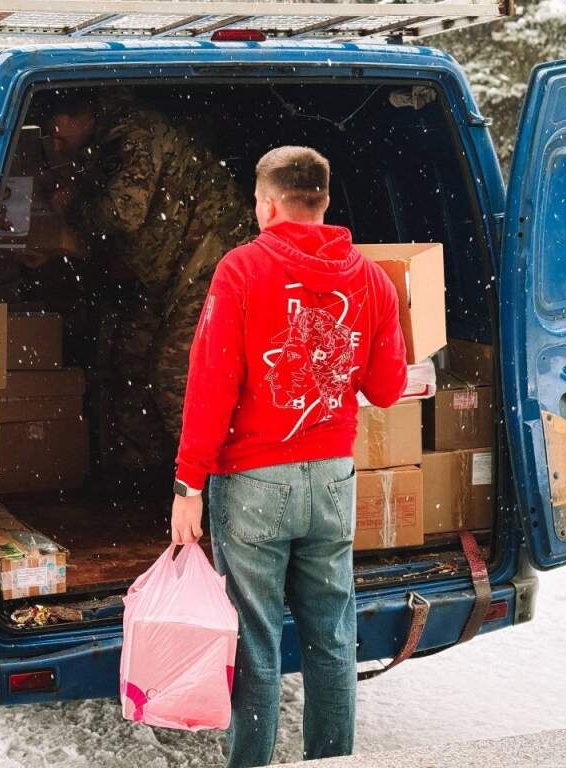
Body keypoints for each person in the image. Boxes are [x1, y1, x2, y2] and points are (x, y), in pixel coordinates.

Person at [170, 146, 408, 767]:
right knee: (332, 636)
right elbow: (387, 388)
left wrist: (188, 486)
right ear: (322, 201)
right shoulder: (371, 279)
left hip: (254, 482)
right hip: (332, 480)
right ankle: (333, 760)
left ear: (268, 204)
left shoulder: (241, 270)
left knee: (255, 640)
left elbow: (212, 384)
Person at [40, 89, 256, 480]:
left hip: (212, 262)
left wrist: (69, 206)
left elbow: (123, 213)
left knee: (173, 372)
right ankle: (145, 481)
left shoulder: (133, 134)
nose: (56, 146)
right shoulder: (100, 144)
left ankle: (220, 484)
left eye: (57, 135)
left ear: (78, 116)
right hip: (167, 270)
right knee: (129, 365)